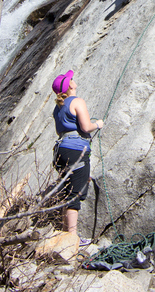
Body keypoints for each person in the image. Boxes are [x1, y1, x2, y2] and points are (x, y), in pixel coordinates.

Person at [52, 69, 103, 244]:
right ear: (69, 86)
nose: (74, 79)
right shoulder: (77, 101)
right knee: (74, 194)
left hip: (61, 150)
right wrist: (98, 124)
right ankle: (72, 238)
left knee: (67, 191)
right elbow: (86, 126)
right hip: (76, 150)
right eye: (71, 79)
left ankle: (66, 234)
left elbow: (60, 130)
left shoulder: (57, 107)